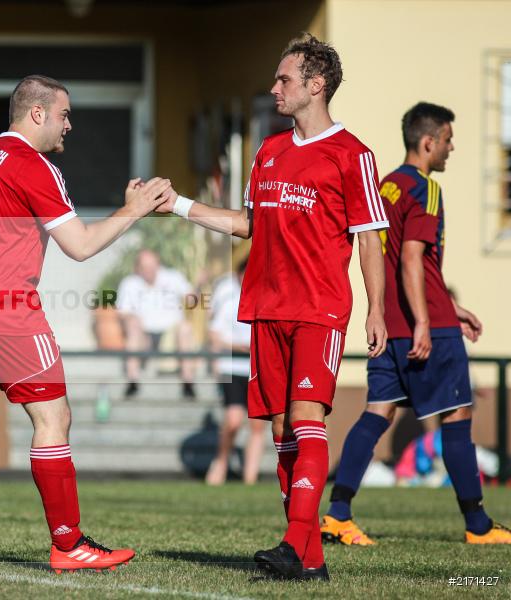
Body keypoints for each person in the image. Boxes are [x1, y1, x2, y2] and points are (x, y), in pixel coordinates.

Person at [0, 74, 172, 574]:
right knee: (54, 420)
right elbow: (81, 246)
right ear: (37, 114)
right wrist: (134, 209)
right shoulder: (35, 166)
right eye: (64, 114)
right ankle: (69, 543)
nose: (68, 125)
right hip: (9, 312)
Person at [156, 34, 389, 581]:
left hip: (319, 309)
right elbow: (248, 225)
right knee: (283, 429)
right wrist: (180, 205)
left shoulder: (353, 156)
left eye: (284, 79)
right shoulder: (268, 151)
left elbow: (370, 239)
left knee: (308, 421)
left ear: (316, 85)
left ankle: (292, 542)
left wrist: (376, 309)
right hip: (265, 309)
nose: (273, 88)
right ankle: (307, 559)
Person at [321, 102, 511, 546]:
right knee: (458, 415)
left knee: (377, 412)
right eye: (447, 140)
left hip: (388, 323)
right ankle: (478, 525)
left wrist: (448, 303)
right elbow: (411, 257)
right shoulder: (424, 188)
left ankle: (338, 514)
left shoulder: (386, 186)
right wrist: (427, 321)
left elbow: (403, 260)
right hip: (423, 327)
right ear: (428, 142)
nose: (451, 147)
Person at [205, 255, 266, 485]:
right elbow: (215, 335)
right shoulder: (229, 297)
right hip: (232, 366)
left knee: (257, 424)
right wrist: (240, 347)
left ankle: (250, 478)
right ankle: (221, 461)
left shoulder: (265, 295)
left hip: (256, 367)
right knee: (233, 420)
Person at [116, 248, 197, 400]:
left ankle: (188, 382)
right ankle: (132, 381)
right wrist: (133, 319)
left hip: (171, 335)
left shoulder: (173, 277)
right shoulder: (130, 283)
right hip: (145, 336)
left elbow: (192, 299)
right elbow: (123, 314)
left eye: (152, 267)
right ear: (137, 268)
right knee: (133, 325)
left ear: (158, 265)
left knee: (185, 328)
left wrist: (195, 291)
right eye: (145, 267)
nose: (149, 271)